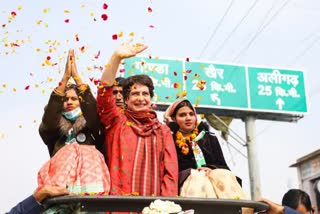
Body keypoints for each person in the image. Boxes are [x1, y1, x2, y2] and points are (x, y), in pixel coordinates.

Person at [97, 41, 178, 196]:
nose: (140, 98)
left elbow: (170, 172)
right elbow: (103, 94)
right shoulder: (116, 122)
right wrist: (116, 58)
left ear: (151, 98)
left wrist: (166, 206)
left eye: (145, 94)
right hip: (119, 206)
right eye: (135, 94)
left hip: (152, 207)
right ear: (126, 100)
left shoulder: (163, 131)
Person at [37, 49, 110, 197]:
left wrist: (77, 78)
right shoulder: (54, 128)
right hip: (60, 189)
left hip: (90, 190)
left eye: (74, 98)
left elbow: (94, 115)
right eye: (65, 99)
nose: (69, 102)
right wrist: (64, 79)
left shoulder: (91, 125)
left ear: (81, 102)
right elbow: (49, 120)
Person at [164, 99, 246, 199]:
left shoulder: (209, 137)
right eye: (182, 115)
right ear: (174, 118)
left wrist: (210, 168)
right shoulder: (169, 139)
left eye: (191, 114)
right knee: (197, 177)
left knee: (224, 174)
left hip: (212, 179)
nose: (188, 118)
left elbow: (223, 166)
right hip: (185, 182)